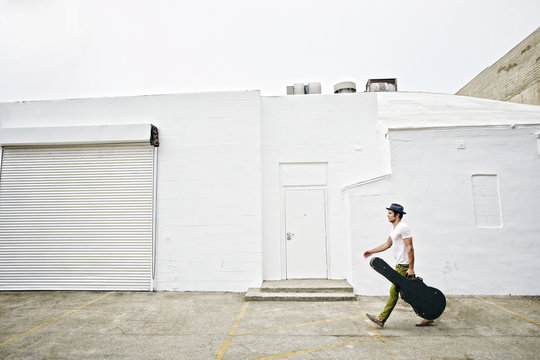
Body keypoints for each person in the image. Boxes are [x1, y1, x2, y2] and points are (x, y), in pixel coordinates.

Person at [363, 203, 433, 327]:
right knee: (414, 293)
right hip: (399, 266)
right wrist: (371, 251)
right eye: (388, 213)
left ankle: (381, 318)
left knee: (394, 291)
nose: (387, 215)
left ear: (398, 215)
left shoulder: (403, 227)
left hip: (404, 267)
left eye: (390, 213)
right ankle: (429, 315)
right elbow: (387, 244)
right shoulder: (394, 228)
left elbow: (410, 248)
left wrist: (411, 268)